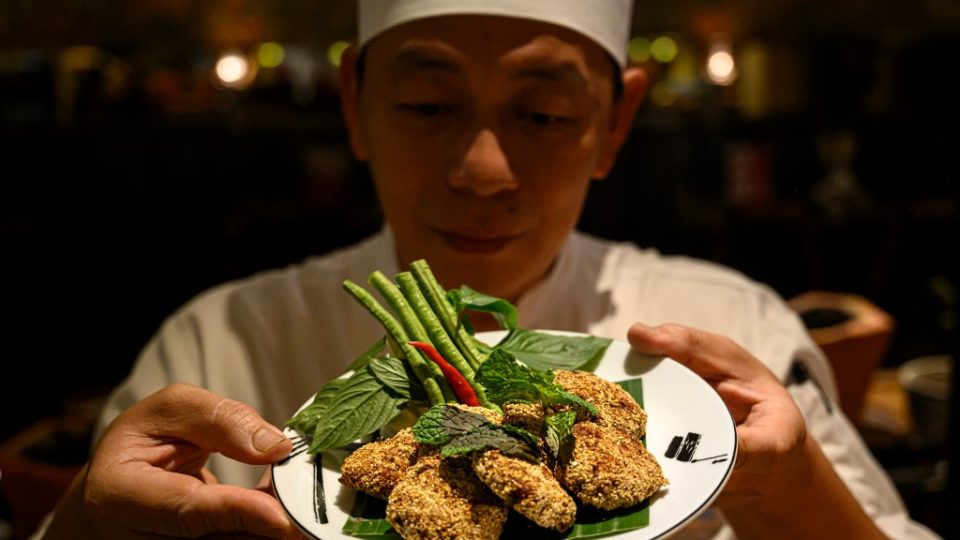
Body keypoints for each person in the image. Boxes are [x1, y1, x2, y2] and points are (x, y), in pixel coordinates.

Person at [37, 1, 937, 538]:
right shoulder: (219, 342)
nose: (482, 172)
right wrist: (85, 525)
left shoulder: (731, 330)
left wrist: (786, 491)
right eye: (428, 104)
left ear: (615, 124)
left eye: (544, 115)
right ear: (353, 102)